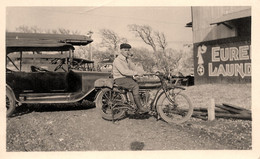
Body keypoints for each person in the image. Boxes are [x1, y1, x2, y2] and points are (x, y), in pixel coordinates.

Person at [112, 43, 148, 113]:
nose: (127, 52)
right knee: (135, 86)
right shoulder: (117, 60)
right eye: (125, 50)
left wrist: (143, 72)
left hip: (126, 78)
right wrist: (136, 73)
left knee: (140, 83)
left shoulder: (127, 59)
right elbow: (123, 71)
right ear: (121, 50)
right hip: (120, 79)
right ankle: (140, 108)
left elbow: (134, 67)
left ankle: (134, 103)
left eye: (128, 50)